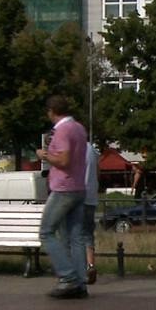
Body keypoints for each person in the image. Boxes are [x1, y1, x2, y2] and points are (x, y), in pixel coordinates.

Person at [35, 95, 90, 299]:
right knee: (76, 237)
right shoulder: (79, 128)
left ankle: (68, 277)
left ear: (51, 111)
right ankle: (81, 281)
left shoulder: (62, 130)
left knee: (46, 231)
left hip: (63, 187)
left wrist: (45, 155)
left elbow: (64, 160)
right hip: (78, 186)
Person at [83, 140, 100, 285]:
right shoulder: (92, 150)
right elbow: (97, 172)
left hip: (77, 196)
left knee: (73, 233)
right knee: (88, 233)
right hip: (91, 197)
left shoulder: (74, 148)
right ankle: (91, 265)